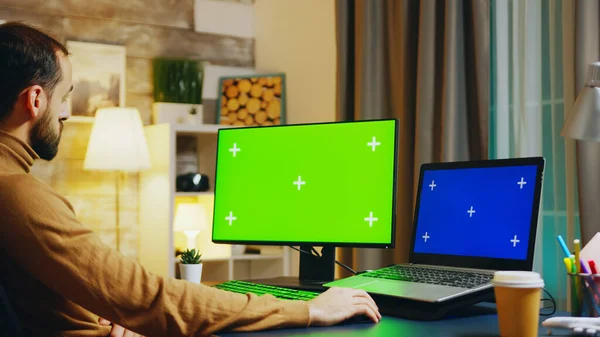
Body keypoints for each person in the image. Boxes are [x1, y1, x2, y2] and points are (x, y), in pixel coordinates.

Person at [0, 22, 381, 337]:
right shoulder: (18, 194)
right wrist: (307, 311)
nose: (66, 112)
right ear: (35, 100)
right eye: (64, 96)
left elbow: (50, 297)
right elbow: (148, 297)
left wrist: (101, 310)